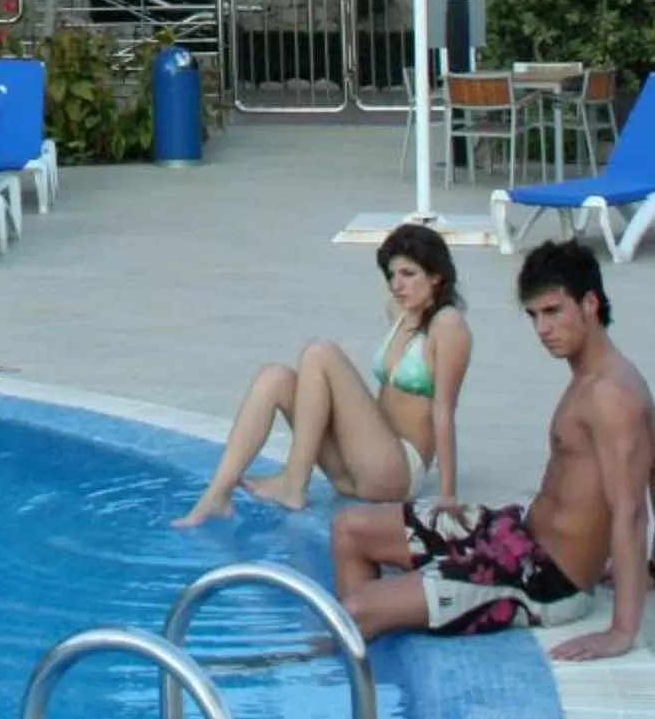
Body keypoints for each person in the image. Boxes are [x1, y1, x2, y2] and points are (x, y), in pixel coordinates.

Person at [332, 237, 655, 658]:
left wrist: (622, 630)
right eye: (534, 315)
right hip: (515, 535)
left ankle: (360, 643)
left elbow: (630, 512)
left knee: (354, 612)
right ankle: (374, 653)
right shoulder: (604, 378)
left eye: (553, 312)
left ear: (590, 304)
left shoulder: (612, 396)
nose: (542, 329)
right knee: (349, 529)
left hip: (544, 580)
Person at [172, 223, 470, 528]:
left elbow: (443, 410)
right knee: (274, 377)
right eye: (392, 275)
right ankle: (216, 494)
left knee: (320, 353)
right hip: (361, 461)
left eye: (408, 274)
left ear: (436, 276)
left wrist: (448, 494)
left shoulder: (448, 325)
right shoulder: (398, 311)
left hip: (398, 470)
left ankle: (293, 482)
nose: (397, 285)